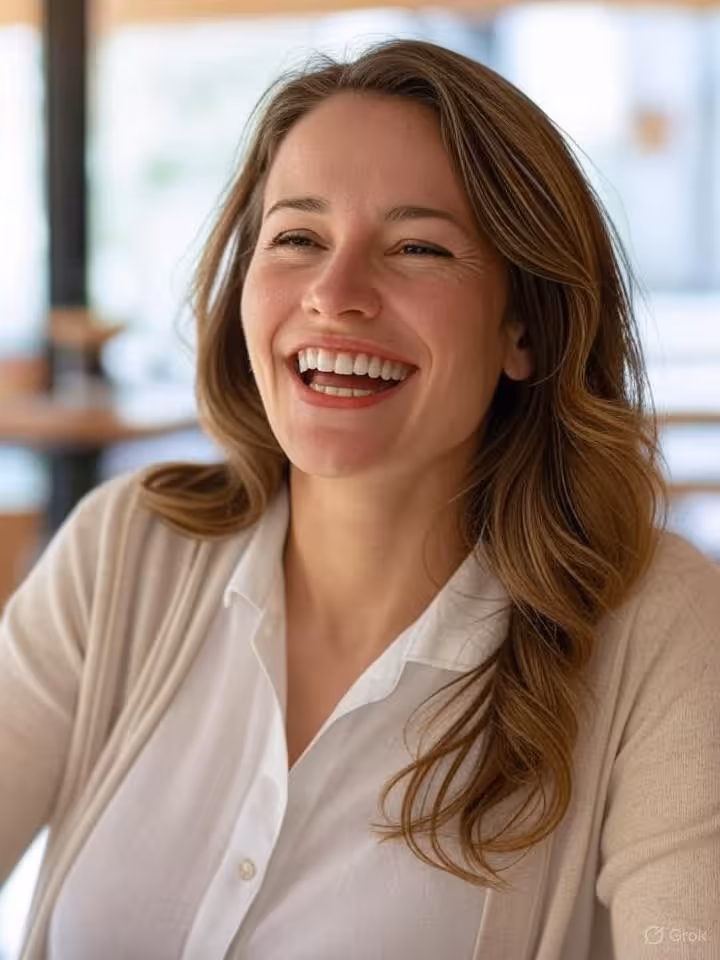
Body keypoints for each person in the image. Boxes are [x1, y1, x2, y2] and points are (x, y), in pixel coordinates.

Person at [1, 38, 718, 960]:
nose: (335, 296)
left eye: (418, 247)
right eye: (298, 237)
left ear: (525, 330)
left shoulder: (658, 626)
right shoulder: (125, 548)